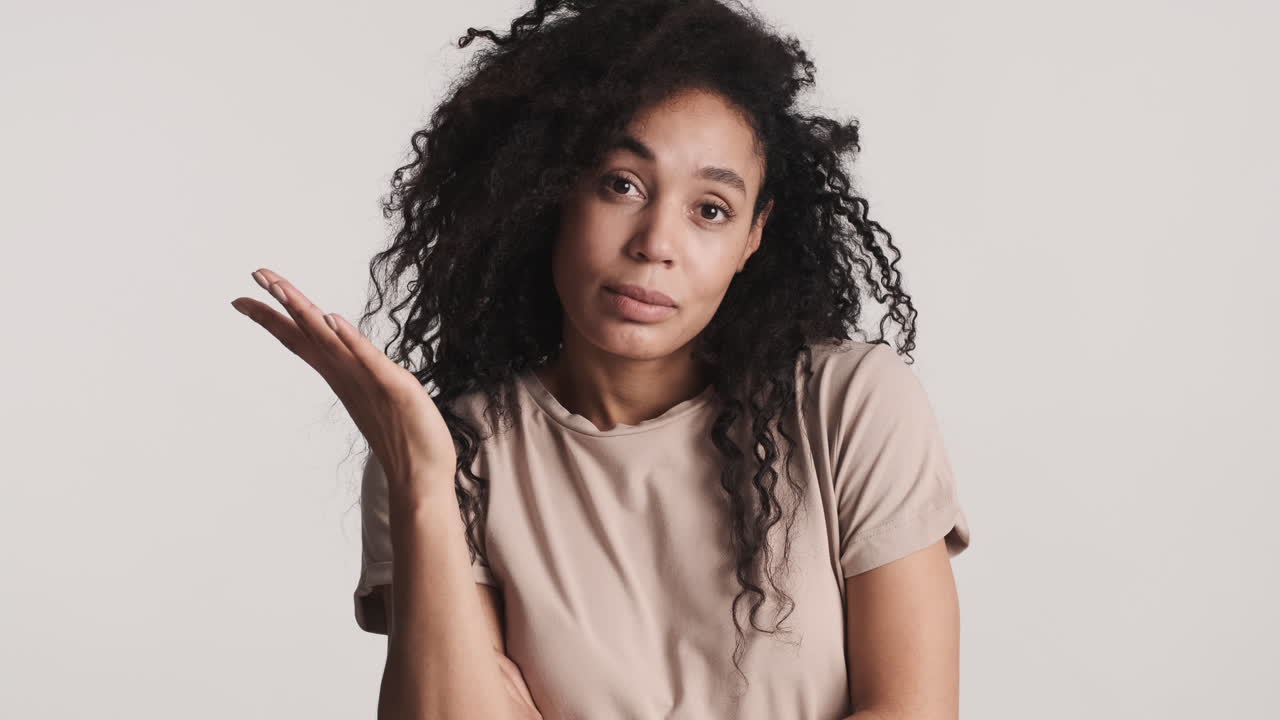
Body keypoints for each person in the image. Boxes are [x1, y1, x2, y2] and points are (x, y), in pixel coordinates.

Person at [231, 1, 972, 718]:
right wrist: (422, 482)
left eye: (710, 209)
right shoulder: (443, 456)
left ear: (753, 236)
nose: (656, 242)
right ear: (549, 193)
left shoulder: (849, 405)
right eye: (622, 185)